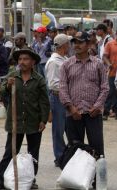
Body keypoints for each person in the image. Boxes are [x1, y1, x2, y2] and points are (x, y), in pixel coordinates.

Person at [0, 49, 50, 190]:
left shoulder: (38, 79)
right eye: (20, 59)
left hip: (34, 121)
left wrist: (43, 120)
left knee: (33, 153)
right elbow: (1, 92)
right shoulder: (13, 76)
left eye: (26, 59)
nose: (22, 62)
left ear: (33, 62)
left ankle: (31, 180)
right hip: (15, 122)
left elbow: (44, 102)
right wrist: (8, 86)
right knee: (10, 152)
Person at [59, 31, 109, 157]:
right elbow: (62, 88)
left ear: (88, 44)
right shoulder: (66, 65)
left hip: (93, 113)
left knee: (97, 150)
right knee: (75, 150)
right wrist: (71, 107)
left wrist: (97, 106)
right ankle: (77, 177)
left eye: (80, 42)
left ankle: (96, 176)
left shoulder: (98, 64)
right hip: (73, 113)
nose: (77, 45)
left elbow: (105, 87)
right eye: (75, 42)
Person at [45, 34, 70, 167]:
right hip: (57, 96)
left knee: (67, 127)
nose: (70, 46)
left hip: (64, 97)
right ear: (63, 45)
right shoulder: (54, 62)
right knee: (58, 129)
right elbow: (53, 84)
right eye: (68, 43)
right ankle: (59, 156)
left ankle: (65, 153)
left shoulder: (63, 58)